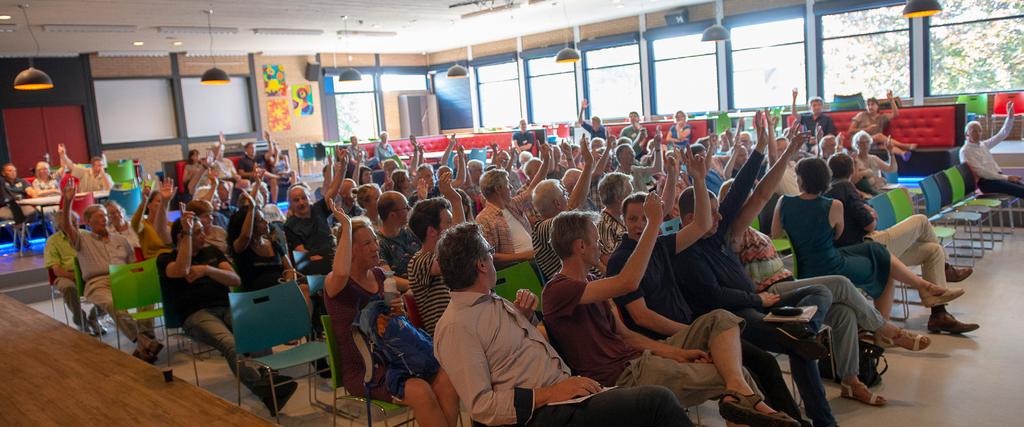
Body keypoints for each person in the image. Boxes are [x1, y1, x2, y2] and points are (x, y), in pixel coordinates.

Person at [543, 197, 799, 427]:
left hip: (639, 358)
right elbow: (628, 282)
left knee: (722, 318)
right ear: (581, 246)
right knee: (737, 376)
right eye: (596, 240)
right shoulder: (558, 290)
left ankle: (742, 397)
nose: (600, 245)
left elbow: (627, 336)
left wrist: (678, 353)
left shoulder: (589, 281)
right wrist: (654, 223)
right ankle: (753, 404)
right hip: (622, 375)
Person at [433, 222, 692, 427]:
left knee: (651, 408)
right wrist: (551, 393)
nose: (493, 259)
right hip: (544, 414)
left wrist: (527, 318)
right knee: (658, 402)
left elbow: (513, 355)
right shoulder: (457, 326)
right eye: (490, 253)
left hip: (565, 395)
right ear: (481, 265)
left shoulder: (489, 300)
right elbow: (482, 406)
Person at [674, 119, 837, 427]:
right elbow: (714, 295)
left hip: (758, 301)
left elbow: (745, 190)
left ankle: (804, 331)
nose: (720, 216)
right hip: (735, 317)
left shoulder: (716, 231)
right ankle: (816, 421)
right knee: (798, 351)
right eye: (712, 213)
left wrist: (762, 148)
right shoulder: (685, 252)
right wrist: (757, 299)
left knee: (821, 292)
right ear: (691, 219)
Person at [772, 157, 964, 321]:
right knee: (888, 262)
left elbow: (776, 234)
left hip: (807, 264)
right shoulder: (833, 204)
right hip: (831, 262)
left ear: (800, 179)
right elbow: (838, 232)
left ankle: (932, 299)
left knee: (929, 250)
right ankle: (883, 327)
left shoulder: (784, 202)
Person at [325, 207, 460, 427]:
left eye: (374, 241)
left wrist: (398, 311)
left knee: (446, 380)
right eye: (367, 243)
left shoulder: (379, 275)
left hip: (397, 356)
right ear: (350, 249)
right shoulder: (337, 284)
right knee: (421, 391)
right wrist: (347, 225)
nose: (376, 247)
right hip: (366, 369)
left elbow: (396, 320)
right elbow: (340, 272)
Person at [159, 212, 298, 416]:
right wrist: (188, 235)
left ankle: (269, 379)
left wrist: (207, 270)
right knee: (230, 343)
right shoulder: (165, 259)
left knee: (257, 327)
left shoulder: (211, 253)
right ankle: (266, 388)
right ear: (182, 236)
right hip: (196, 315)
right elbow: (181, 270)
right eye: (197, 233)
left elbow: (234, 280)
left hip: (226, 307)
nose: (203, 236)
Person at [825, 153, 978, 334]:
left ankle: (939, 315)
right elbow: (869, 224)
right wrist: (871, 213)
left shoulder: (833, 189)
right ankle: (946, 268)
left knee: (933, 251)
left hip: (866, 245)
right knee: (921, 220)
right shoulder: (845, 187)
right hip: (868, 246)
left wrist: (867, 208)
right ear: (851, 170)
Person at [57, 182, 163, 362]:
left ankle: (144, 347)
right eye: (98, 217)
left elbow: (133, 265)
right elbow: (67, 226)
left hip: (124, 278)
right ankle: (144, 341)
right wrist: (68, 202)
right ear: (88, 222)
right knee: (113, 304)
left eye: (104, 216)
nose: (103, 219)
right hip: (99, 284)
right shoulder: (82, 239)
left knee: (148, 293)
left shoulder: (121, 240)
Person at [405, 171, 466, 336]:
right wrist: (455, 199)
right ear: (432, 231)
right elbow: (458, 249)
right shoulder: (418, 261)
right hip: (449, 337)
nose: (453, 227)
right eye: (449, 223)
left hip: (466, 326)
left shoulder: (443, 254)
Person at [531, 139, 600, 281]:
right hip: (574, 291)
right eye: (564, 192)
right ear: (557, 203)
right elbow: (573, 206)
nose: (568, 194)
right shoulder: (543, 228)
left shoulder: (557, 224)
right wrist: (588, 165)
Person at [476, 144, 549, 267]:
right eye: (507, 184)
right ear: (498, 189)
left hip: (534, 259)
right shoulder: (484, 218)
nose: (511, 187)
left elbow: (534, 185)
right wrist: (525, 256)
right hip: (519, 267)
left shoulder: (512, 204)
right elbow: (489, 255)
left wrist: (546, 159)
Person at [230, 183, 301, 293]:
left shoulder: (273, 243)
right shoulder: (242, 248)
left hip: (282, 291)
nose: (267, 222)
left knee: (305, 289)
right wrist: (251, 208)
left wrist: (288, 283)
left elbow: (290, 269)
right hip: (259, 297)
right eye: (261, 221)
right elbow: (245, 236)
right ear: (251, 227)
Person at [285, 160, 345, 275]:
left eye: (304, 198)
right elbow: (301, 252)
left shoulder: (318, 208)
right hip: (313, 261)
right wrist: (318, 258)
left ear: (309, 198)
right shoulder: (290, 225)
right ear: (291, 205)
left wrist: (343, 168)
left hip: (333, 253)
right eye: (296, 200)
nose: (301, 202)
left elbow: (333, 190)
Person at [43, 211, 97, 334]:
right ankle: (81, 321)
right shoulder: (52, 241)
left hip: (88, 272)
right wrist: (76, 276)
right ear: (60, 226)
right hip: (66, 275)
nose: (75, 225)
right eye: (70, 223)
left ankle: (94, 318)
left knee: (108, 282)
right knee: (68, 287)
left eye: (76, 222)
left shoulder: (87, 235)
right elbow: (57, 270)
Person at [961, 101, 1024, 197]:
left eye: (980, 131)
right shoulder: (966, 151)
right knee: (1020, 191)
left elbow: (1002, 134)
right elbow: (981, 172)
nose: (978, 134)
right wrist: (1006, 177)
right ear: (967, 134)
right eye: (974, 131)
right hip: (987, 183)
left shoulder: (983, 145)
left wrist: (1010, 118)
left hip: (997, 178)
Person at [848, 90, 916, 156]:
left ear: (877, 106)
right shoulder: (861, 115)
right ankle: (904, 146)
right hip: (858, 142)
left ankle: (903, 153)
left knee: (885, 145)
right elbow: (850, 131)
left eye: (872, 104)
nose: (870, 107)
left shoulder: (882, 117)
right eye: (868, 105)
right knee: (879, 136)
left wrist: (891, 100)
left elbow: (895, 114)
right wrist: (866, 129)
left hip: (873, 144)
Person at [376, 190, 419, 282]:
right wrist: (417, 288)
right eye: (406, 207)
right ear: (392, 215)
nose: (410, 209)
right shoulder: (379, 242)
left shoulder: (411, 232)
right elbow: (387, 277)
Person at [131, 178, 174, 260]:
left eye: (164, 201)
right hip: (154, 263)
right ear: (149, 205)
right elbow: (135, 223)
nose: (162, 204)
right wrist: (144, 202)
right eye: (159, 201)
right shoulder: (144, 225)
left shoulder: (170, 225)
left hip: (172, 259)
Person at [596, 172, 632, 265]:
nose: (633, 197)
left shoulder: (623, 216)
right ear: (618, 198)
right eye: (630, 194)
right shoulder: (604, 223)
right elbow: (610, 263)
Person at [849, 131, 897, 196]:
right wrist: (866, 173)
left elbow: (892, 169)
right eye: (862, 143)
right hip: (868, 192)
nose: (865, 145)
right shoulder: (853, 160)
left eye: (867, 142)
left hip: (880, 189)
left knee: (903, 190)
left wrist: (890, 152)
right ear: (856, 145)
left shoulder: (873, 158)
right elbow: (852, 180)